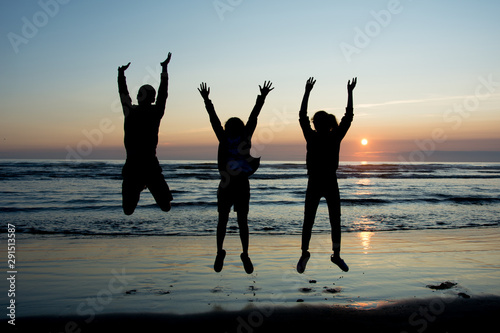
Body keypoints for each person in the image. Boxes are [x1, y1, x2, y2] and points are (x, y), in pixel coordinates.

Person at [198, 81, 274, 274]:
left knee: (239, 221)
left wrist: (262, 98)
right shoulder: (225, 139)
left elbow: (253, 117)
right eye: (230, 126)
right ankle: (221, 252)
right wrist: (207, 101)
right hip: (229, 183)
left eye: (232, 126)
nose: (229, 128)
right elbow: (214, 120)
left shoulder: (243, 137)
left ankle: (244, 254)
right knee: (225, 220)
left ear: (235, 128)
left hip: (237, 184)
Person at [297, 76, 357, 273]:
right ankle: (306, 253)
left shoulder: (332, 136)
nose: (315, 124)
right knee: (312, 219)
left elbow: (348, 117)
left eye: (317, 122)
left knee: (332, 219)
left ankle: (335, 255)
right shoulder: (314, 136)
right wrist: (307, 92)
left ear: (322, 124)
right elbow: (302, 116)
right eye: (316, 122)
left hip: (327, 181)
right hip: (317, 181)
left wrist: (350, 93)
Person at [118, 53, 173, 215]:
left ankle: (141, 185)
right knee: (165, 206)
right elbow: (164, 94)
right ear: (153, 98)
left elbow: (123, 94)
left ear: (139, 97)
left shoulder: (132, 111)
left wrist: (121, 75)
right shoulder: (153, 111)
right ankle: (141, 185)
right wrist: (164, 69)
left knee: (129, 210)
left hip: (139, 166)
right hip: (145, 166)